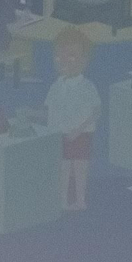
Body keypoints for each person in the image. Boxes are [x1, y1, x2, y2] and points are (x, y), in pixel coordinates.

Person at [48, 28, 102, 210]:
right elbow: (50, 108)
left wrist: (77, 131)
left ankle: (80, 200)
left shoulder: (87, 86)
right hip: (61, 134)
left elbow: (95, 112)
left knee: (79, 168)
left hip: (81, 135)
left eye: (71, 57)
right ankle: (63, 200)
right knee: (63, 168)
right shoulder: (57, 85)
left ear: (84, 60)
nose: (63, 61)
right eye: (58, 56)